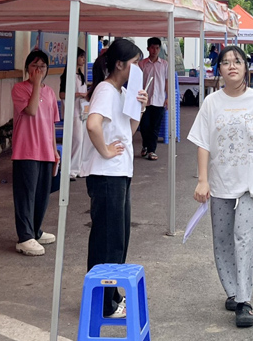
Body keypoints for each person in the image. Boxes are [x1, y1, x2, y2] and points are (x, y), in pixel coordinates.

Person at [189, 46, 253, 328]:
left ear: (246, 67)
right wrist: (203, 180)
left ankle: (244, 300)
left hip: (252, 182)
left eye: (237, 61)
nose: (231, 66)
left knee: (245, 238)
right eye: (225, 62)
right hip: (220, 181)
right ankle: (233, 290)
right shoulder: (211, 102)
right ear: (219, 70)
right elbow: (203, 143)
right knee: (222, 238)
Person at [79, 39, 149, 318]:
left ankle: (110, 295)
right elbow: (92, 124)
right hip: (107, 174)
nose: (138, 69)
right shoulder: (106, 90)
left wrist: (140, 108)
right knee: (108, 239)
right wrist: (105, 150)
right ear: (119, 64)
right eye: (134, 63)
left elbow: (127, 131)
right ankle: (104, 303)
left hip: (119, 172)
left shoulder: (121, 91)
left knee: (117, 238)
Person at [11, 50, 61, 256]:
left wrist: (54, 150)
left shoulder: (50, 93)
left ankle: (35, 231)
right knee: (26, 195)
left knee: (41, 195)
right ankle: (24, 237)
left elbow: (51, 124)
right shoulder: (19, 89)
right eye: (34, 65)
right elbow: (31, 111)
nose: (39, 70)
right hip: (26, 150)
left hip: (45, 150)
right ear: (27, 68)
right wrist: (36, 85)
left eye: (42, 66)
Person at [59, 48, 89, 181]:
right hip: (73, 112)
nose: (83, 59)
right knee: (76, 140)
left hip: (82, 111)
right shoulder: (67, 75)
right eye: (81, 57)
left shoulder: (81, 75)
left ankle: (78, 167)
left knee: (82, 140)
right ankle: (71, 169)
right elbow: (62, 94)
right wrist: (78, 94)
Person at [138, 37, 167, 161]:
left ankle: (151, 150)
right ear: (148, 49)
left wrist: (168, 97)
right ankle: (145, 145)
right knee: (144, 126)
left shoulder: (165, 64)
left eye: (157, 48)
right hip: (145, 100)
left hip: (159, 100)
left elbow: (167, 81)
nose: (154, 50)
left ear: (159, 49)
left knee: (155, 127)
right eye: (152, 48)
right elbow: (137, 81)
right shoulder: (142, 64)